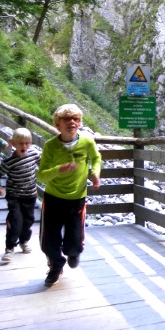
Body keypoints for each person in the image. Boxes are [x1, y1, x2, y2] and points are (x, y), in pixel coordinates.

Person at [37, 104, 101, 286]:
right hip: (53, 199)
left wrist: (95, 173)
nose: (72, 122)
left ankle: (73, 253)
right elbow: (41, 175)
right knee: (48, 241)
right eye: (67, 119)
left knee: (74, 239)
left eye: (76, 119)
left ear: (80, 123)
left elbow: (96, 158)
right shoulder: (51, 146)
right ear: (58, 124)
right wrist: (59, 169)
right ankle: (56, 265)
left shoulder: (87, 142)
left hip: (77, 199)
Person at [0, 128, 41, 263]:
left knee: (28, 220)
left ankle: (24, 241)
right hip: (15, 196)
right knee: (15, 222)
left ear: (30, 143)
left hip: (30, 195)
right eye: (20, 143)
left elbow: (44, 166)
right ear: (13, 143)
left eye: (27, 143)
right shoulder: (9, 162)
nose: (24, 146)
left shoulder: (34, 154)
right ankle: (9, 248)